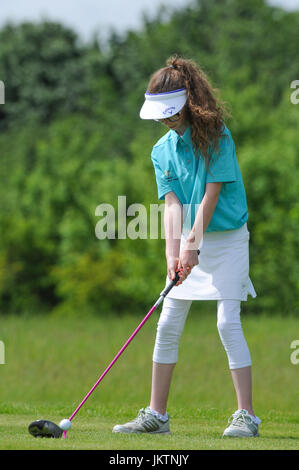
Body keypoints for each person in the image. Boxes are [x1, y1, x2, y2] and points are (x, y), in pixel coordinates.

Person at [113, 55, 261, 438]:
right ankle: (156, 416)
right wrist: (171, 253)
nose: (166, 120)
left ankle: (246, 416)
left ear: (188, 102)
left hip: (226, 240)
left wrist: (192, 246)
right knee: (167, 323)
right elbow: (172, 204)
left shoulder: (217, 136)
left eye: (171, 112)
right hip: (189, 243)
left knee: (227, 322)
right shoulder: (161, 150)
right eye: (161, 114)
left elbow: (212, 194)